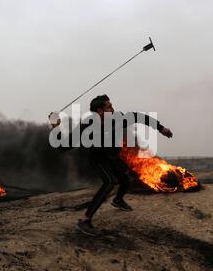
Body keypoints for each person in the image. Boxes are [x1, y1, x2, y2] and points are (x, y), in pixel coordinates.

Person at [50, 95, 173, 235]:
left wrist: (161, 128)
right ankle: (85, 220)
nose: (113, 109)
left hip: (113, 156)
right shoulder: (87, 125)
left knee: (126, 180)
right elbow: (63, 147)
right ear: (100, 111)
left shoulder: (118, 117)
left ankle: (118, 200)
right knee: (109, 182)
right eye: (109, 107)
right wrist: (55, 127)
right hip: (99, 159)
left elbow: (140, 117)